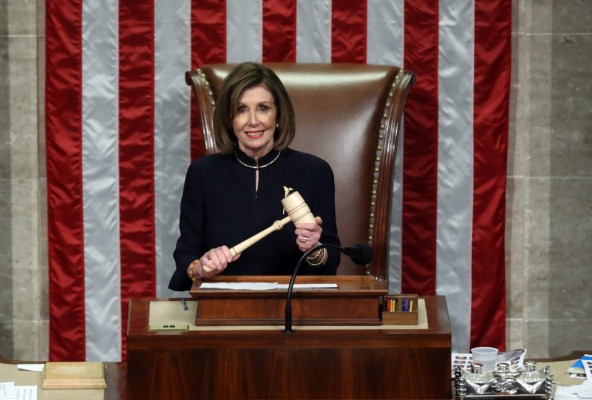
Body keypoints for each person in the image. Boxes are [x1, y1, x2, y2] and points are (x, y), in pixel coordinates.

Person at [169, 62, 341, 291]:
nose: (253, 121)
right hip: (223, 311)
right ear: (230, 120)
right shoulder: (203, 173)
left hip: (294, 309)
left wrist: (315, 249)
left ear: (278, 114)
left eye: (263, 108)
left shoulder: (315, 172)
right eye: (241, 109)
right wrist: (201, 267)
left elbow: (331, 261)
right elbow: (186, 256)